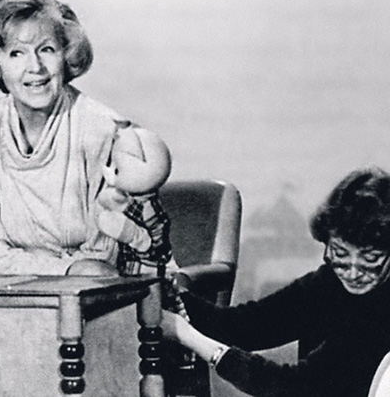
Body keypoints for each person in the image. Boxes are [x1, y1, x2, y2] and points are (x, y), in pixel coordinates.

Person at [0, 0, 171, 276]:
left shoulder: (103, 129)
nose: (35, 67)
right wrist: (63, 268)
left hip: (102, 290)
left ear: (66, 55)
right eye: (16, 53)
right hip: (15, 288)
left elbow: (101, 260)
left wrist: (39, 267)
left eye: (46, 49)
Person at [161, 166, 390, 397]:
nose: (352, 272)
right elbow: (242, 327)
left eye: (370, 259)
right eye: (340, 254)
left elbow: (294, 386)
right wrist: (172, 292)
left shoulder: (382, 311)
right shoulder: (327, 283)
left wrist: (188, 336)